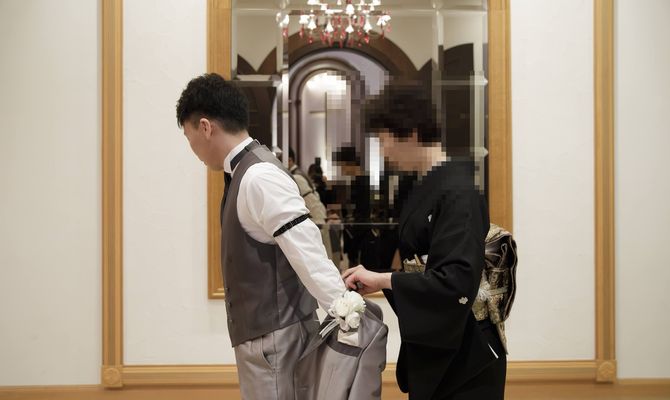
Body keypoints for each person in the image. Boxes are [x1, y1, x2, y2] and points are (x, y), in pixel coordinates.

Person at [176, 73, 347, 400]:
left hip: (276, 341)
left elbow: (307, 251)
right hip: (269, 340)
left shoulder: (258, 176)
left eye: (188, 136)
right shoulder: (247, 171)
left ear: (205, 127)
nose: (192, 148)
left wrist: (347, 315)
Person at [342, 84, 506, 399]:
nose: (384, 152)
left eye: (384, 141)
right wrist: (380, 278)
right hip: (441, 345)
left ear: (412, 133)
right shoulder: (426, 185)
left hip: (467, 352)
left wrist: (383, 280)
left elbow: (456, 280)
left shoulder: (458, 190)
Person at [286, 148, 341, 266]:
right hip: (319, 220)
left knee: (322, 261)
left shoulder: (296, 177)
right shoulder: (299, 174)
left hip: (317, 222)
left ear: (289, 160)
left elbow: (311, 203)